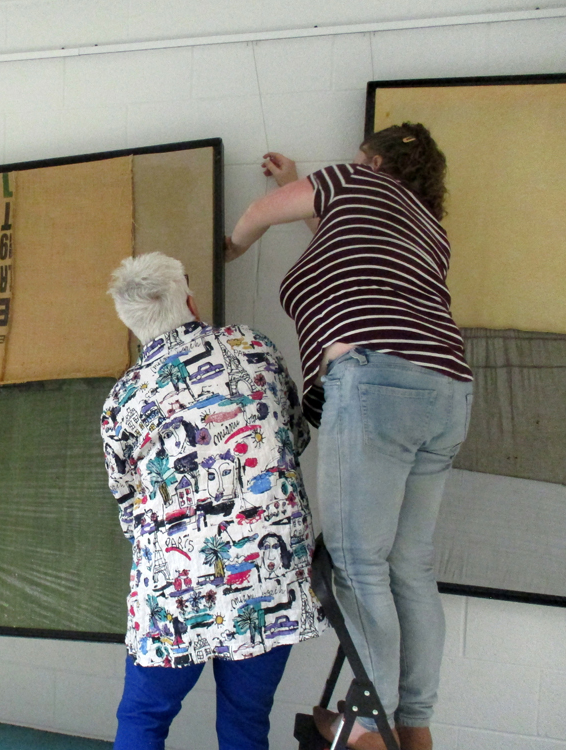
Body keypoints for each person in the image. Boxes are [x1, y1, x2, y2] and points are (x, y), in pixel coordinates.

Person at [226, 123, 474, 750]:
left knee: (357, 567)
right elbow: (341, 246)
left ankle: (371, 728)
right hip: (447, 391)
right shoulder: (428, 229)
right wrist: (293, 182)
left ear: (371, 160)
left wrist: (225, 248)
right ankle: (411, 725)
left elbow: (259, 215)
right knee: (408, 568)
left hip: (375, 381)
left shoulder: (350, 181)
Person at [101, 252, 323, 750]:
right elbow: (293, 436)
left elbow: (128, 502)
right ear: (192, 301)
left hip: (173, 592)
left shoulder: (123, 399)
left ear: (133, 326)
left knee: (143, 717)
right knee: (246, 720)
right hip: (268, 583)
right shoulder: (255, 348)